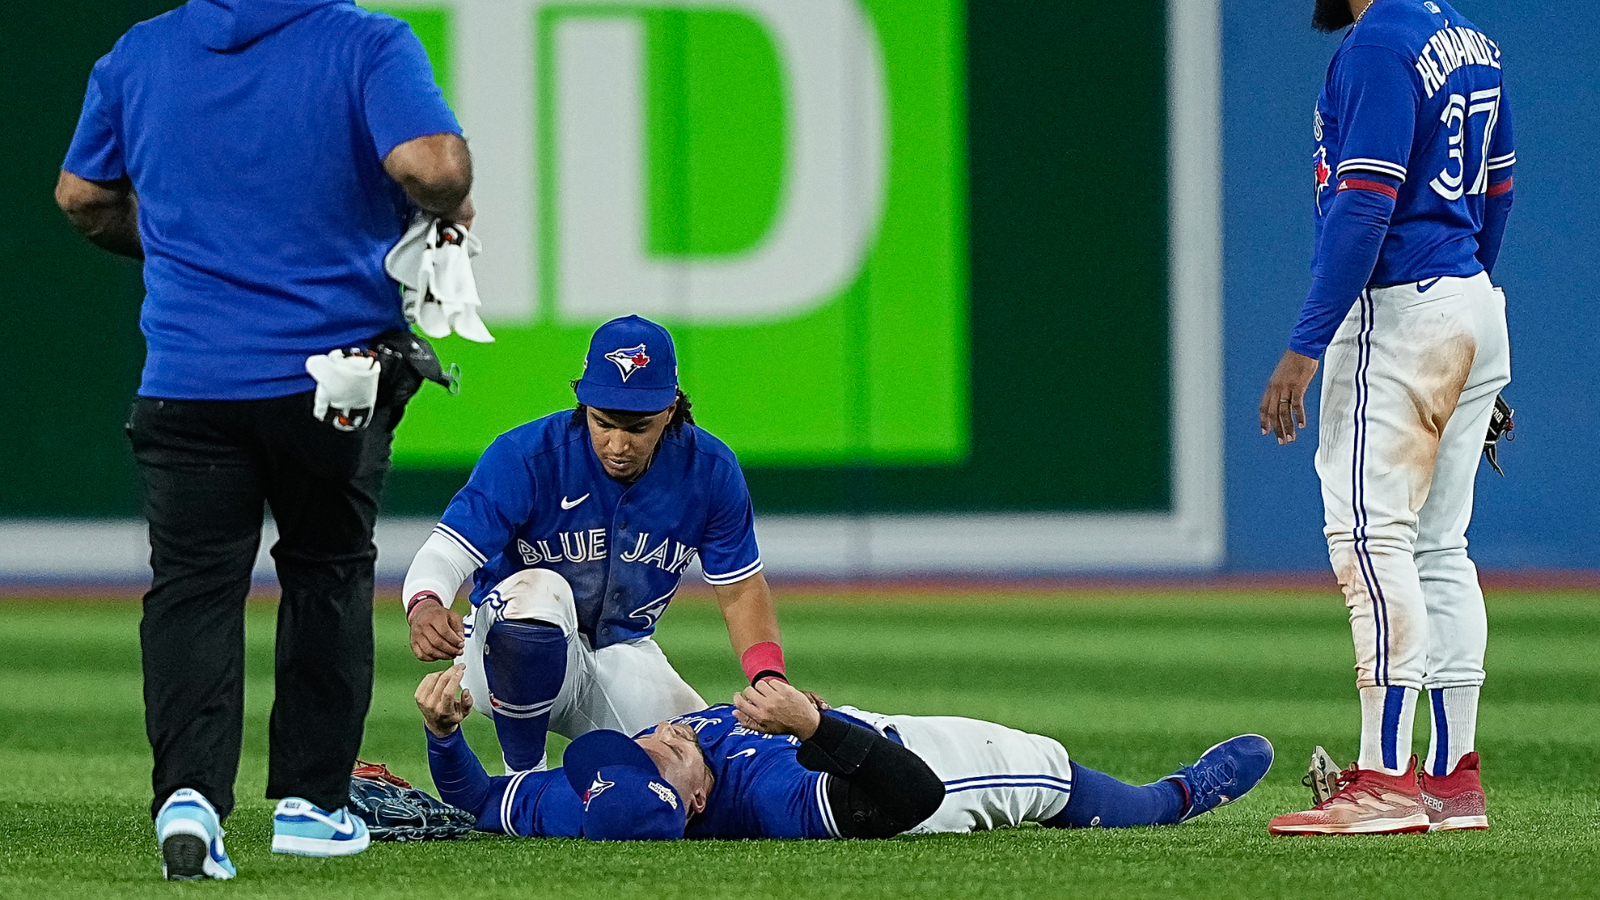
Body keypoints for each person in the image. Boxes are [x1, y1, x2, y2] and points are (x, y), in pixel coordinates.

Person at [55, 0, 474, 879]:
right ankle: (313, 806)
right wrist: (452, 201)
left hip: (186, 382)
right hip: (330, 381)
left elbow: (81, 196)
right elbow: (429, 164)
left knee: (193, 592)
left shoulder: (142, 51)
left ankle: (190, 800)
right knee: (325, 572)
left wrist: (183, 244)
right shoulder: (364, 40)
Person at [1258, 0, 1513, 835]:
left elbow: (1365, 203)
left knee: (1373, 542)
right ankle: (1450, 780)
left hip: (1402, 311)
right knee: (1442, 546)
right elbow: (1499, 189)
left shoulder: (1380, 42)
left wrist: (1305, 345)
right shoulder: (1472, 39)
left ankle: (1384, 780)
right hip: (1470, 296)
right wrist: (1469, 315)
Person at [402, 315, 806, 776]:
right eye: (603, 422)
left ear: (671, 409)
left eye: (638, 427)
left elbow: (741, 591)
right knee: (539, 590)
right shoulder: (527, 455)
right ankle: (524, 777)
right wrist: (425, 603)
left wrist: (768, 678)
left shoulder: (709, 470)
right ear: (583, 401)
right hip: (501, 652)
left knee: (712, 767)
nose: (618, 444)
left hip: (622, 654)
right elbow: (446, 551)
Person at [413, 666, 1275, 840]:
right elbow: (917, 795)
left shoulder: (587, 803)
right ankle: (1176, 797)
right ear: (693, 804)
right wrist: (817, 729)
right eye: (659, 759)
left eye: (635, 746)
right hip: (906, 765)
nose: (656, 736)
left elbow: (483, 800)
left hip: (847, 737)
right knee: (1049, 772)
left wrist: (443, 736)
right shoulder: (767, 801)